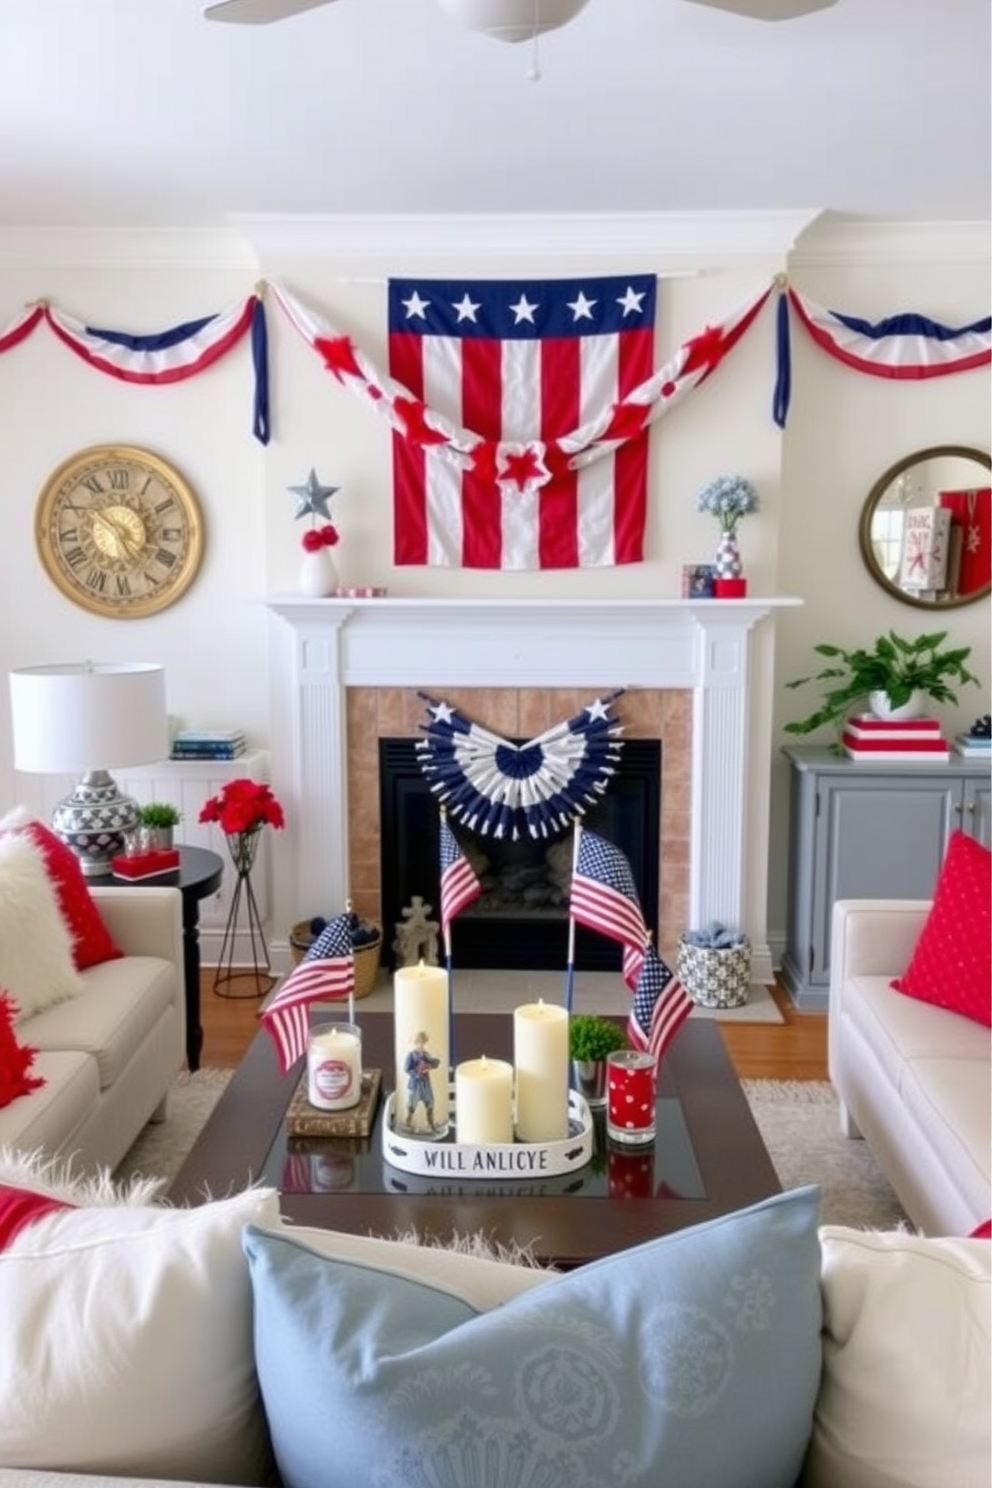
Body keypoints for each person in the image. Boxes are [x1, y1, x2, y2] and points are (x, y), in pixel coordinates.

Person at [404, 1030, 440, 1130]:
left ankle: (430, 1123)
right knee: (412, 1103)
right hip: (415, 1083)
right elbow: (406, 1069)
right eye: (418, 1042)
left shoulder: (426, 1054)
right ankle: (408, 1122)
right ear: (414, 1043)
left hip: (425, 1083)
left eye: (422, 1042)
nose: (420, 1045)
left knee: (430, 1102)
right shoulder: (411, 1055)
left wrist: (431, 1064)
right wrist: (416, 1073)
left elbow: (434, 1063)